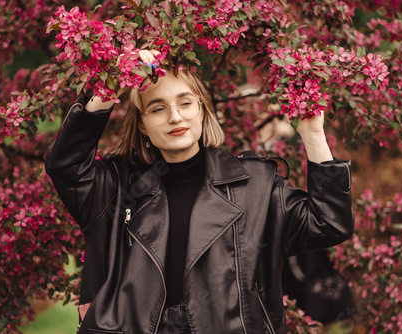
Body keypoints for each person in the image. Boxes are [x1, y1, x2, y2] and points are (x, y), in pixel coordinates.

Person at [44, 50, 354, 334]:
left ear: (203, 110)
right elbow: (66, 165)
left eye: (185, 103)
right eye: (158, 108)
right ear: (141, 125)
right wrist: (111, 85)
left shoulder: (256, 185)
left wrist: (313, 134)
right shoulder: (114, 188)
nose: (175, 117)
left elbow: (329, 222)